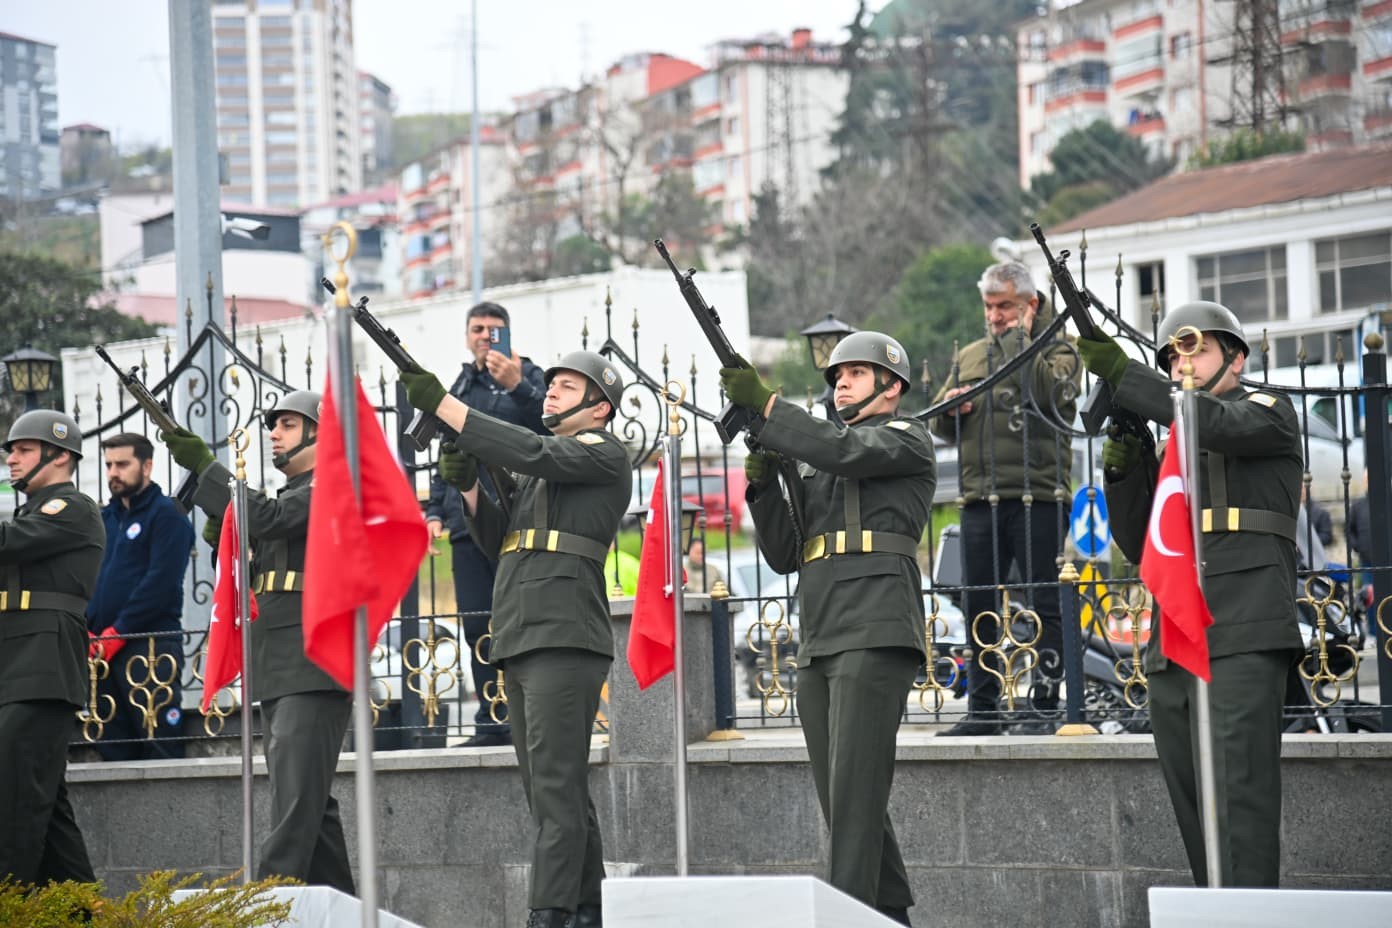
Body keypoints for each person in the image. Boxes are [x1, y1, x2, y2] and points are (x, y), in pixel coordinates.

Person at [402, 350, 630, 928]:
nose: (551, 392)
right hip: (524, 632)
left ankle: (548, 912)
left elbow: (530, 448)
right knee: (554, 790)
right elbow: (498, 539)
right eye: (550, 384)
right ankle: (586, 908)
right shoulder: (540, 470)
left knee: (554, 788)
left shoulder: (603, 452)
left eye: (567, 386)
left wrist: (449, 410)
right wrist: (472, 488)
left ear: (599, 406)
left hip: (564, 633)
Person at [1079, 300, 1303, 887]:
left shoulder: (1268, 410)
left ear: (1236, 354)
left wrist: (1129, 376)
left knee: (1238, 805)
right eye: (1173, 353)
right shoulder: (1170, 449)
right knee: (1195, 809)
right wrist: (1125, 466)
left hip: (1243, 621)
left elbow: (1217, 423)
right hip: (1174, 630)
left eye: (1196, 347)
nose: (1184, 362)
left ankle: (1249, 920)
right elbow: (1137, 542)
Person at [720, 331, 935, 927]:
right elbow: (787, 552)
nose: (840, 381)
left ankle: (849, 919)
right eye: (837, 375)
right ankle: (889, 914)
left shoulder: (904, 438)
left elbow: (845, 451)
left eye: (857, 374)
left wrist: (767, 409)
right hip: (820, 634)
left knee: (854, 797)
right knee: (845, 800)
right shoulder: (824, 460)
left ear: (892, 387)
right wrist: (764, 482)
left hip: (875, 625)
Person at [163, 391, 356, 894]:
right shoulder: (292, 496)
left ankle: (265, 901)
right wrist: (219, 537)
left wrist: (207, 467)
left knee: (296, 803)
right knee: (309, 803)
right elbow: (253, 573)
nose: (274, 433)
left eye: (288, 424)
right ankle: (347, 910)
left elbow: (266, 519)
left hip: (314, 661)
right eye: (274, 425)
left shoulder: (333, 486)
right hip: (281, 659)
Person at [930, 260, 1079, 735]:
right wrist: (954, 407)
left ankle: (1044, 702)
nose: (994, 316)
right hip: (980, 496)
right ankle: (985, 708)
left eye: (1005, 307)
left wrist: (1020, 337)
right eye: (989, 307)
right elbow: (939, 423)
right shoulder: (971, 354)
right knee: (979, 604)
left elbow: (1051, 394)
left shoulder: (1061, 349)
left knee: (1043, 602)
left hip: (1039, 496)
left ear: (1031, 305)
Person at [425, 301, 546, 748]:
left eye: (494, 331)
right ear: (466, 335)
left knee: (521, 621)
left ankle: (528, 717)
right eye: (478, 329)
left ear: (509, 335)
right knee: (478, 624)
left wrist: (516, 387)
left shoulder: (531, 377)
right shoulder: (460, 386)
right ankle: (492, 720)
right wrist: (435, 511)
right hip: (466, 523)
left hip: (519, 523)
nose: (484, 337)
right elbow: (446, 455)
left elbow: (549, 432)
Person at [0, 410, 101, 886]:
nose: (11, 460)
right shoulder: (28, 513)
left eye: (22, 450)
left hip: (41, 668)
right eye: (11, 452)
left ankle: (12, 903)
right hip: (17, 665)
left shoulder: (73, 508)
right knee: (46, 809)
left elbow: (9, 543)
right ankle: (84, 914)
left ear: (60, 455)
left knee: (15, 800)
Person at [85, 432, 195, 761]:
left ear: (147, 466)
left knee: (159, 742)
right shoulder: (104, 519)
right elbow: (89, 577)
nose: (113, 473)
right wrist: (89, 629)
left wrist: (119, 631)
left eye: (122, 464)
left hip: (149, 646)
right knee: (112, 747)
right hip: (101, 651)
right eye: (108, 465)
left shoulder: (168, 516)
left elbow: (160, 584)